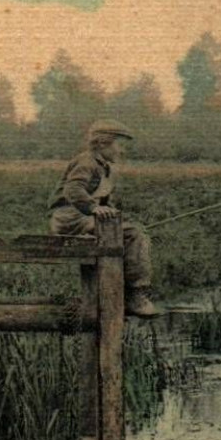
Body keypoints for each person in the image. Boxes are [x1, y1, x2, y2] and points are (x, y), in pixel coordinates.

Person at [50, 119, 159, 317]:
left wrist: (109, 212)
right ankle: (136, 295)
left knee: (132, 231)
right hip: (71, 218)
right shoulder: (87, 162)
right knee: (134, 235)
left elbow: (102, 199)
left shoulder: (103, 166)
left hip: (83, 217)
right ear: (102, 144)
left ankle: (121, 291)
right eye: (119, 145)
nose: (122, 151)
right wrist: (93, 208)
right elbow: (73, 189)